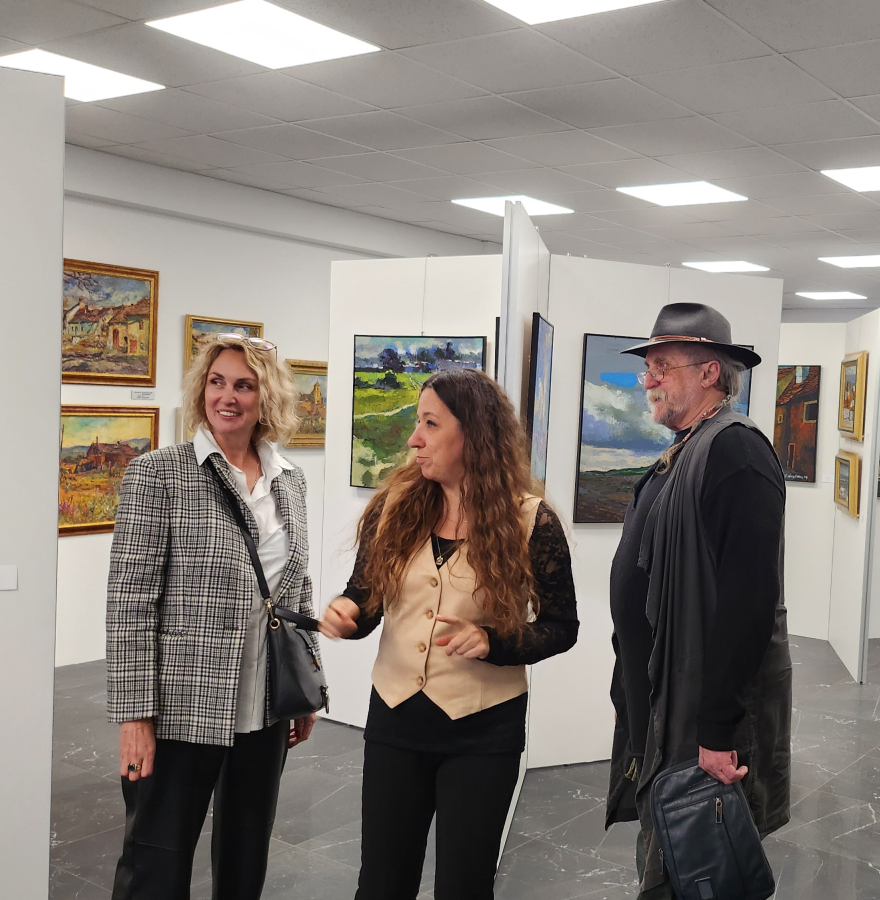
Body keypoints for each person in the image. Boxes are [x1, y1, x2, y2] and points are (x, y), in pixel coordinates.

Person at [316, 366, 578, 900]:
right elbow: (365, 596)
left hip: (483, 734)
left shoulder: (532, 521)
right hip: (395, 721)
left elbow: (561, 627)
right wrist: (349, 612)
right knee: (382, 884)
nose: (415, 438)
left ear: (474, 434)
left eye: (430, 424)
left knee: (464, 886)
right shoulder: (395, 508)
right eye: (418, 422)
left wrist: (494, 642)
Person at [106, 334, 318, 900]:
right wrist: (134, 716)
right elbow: (130, 602)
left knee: (246, 857)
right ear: (201, 390)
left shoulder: (290, 480)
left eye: (244, 386)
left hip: (264, 703)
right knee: (155, 860)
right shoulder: (159, 473)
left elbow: (297, 588)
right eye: (217, 382)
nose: (228, 397)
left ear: (265, 398)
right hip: (180, 705)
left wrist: (306, 685)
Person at [604, 302, 792, 899]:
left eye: (662, 366)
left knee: (697, 866)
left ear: (710, 372)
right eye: (649, 368)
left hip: (697, 715)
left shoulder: (737, 453)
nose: (648, 380)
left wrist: (717, 727)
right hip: (668, 701)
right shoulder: (688, 448)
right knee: (673, 857)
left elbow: (748, 601)